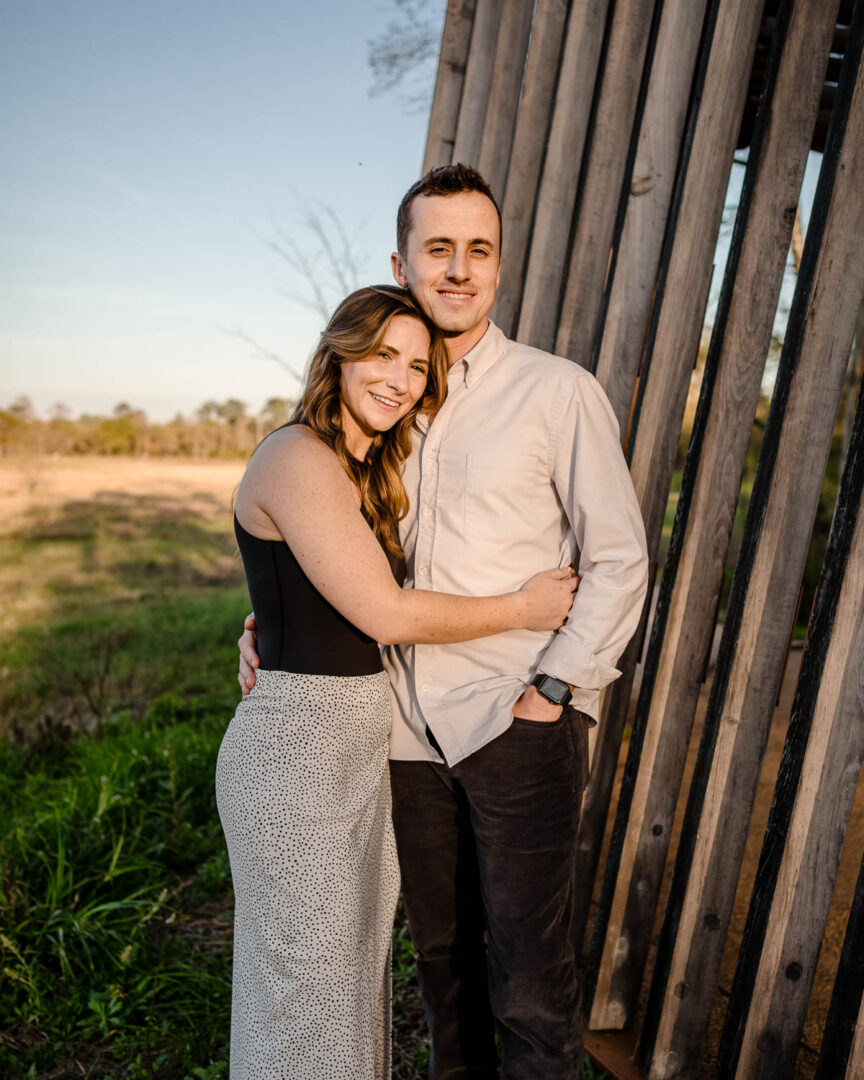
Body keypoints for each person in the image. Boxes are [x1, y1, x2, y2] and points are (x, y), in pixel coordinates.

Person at [239, 166, 649, 1078]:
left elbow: (620, 558)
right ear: (403, 261)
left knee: (533, 987)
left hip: (516, 719)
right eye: (439, 249)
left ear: (499, 267)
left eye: (479, 250)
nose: (458, 269)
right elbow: (329, 546)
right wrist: (265, 620)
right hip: (397, 736)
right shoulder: (384, 407)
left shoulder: (556, 391)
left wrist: (553, 690)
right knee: (442, 972)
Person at [217, 283, 578, 1080]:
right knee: (305, 1003)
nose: (401, 379)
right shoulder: (296, 455)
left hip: (350, 752)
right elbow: (385, 612)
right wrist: (524, 606)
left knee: (345, 994)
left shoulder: (361, 470)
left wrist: (259, 628)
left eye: (418, 366)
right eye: (383, 355)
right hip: (296, 757)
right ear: (340, 354)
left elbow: (308, 594)